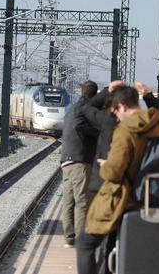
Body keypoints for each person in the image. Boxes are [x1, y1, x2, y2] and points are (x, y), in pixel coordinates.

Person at [77, 85, 159, 274]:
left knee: (85, 243)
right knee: (115, 245)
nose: (116, 117)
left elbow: (114, 171)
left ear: (122, 106)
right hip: (150, 198)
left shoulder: (126, 129)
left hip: (122, 198)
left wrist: (105, 166)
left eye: (115, 112)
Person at [60, 80, 100, 247]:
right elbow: (79, 126)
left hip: (67, 160)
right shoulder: (86, 108)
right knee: (82, 200)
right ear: (95, 95)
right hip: (80, 160)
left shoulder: (72, 108)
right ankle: (82, 239)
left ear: (82, 92)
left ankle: (69, 237)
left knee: (68, 200)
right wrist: (99, 133)